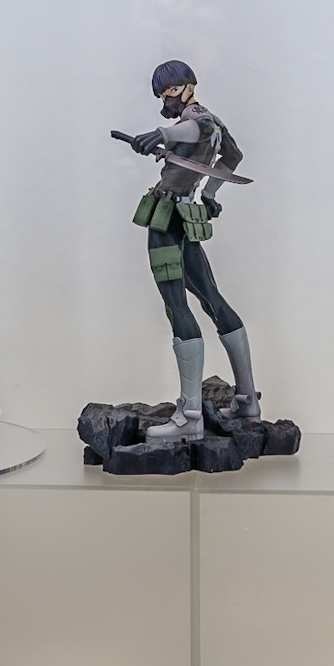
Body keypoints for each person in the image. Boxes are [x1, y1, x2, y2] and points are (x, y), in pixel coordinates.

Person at [128, 60, 258, 441]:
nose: (165, 101)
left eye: (169, 92)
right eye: (161, 95)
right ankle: (247, 400)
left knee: (177, 307)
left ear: (187, 87)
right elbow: (232, 156)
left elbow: (192, 128)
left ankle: (189, 416)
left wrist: (162, 133)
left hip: (168, 219)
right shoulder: (214, 122)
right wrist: (211, 193)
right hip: (186, 214)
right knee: (213, 300)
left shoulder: (198, 120)